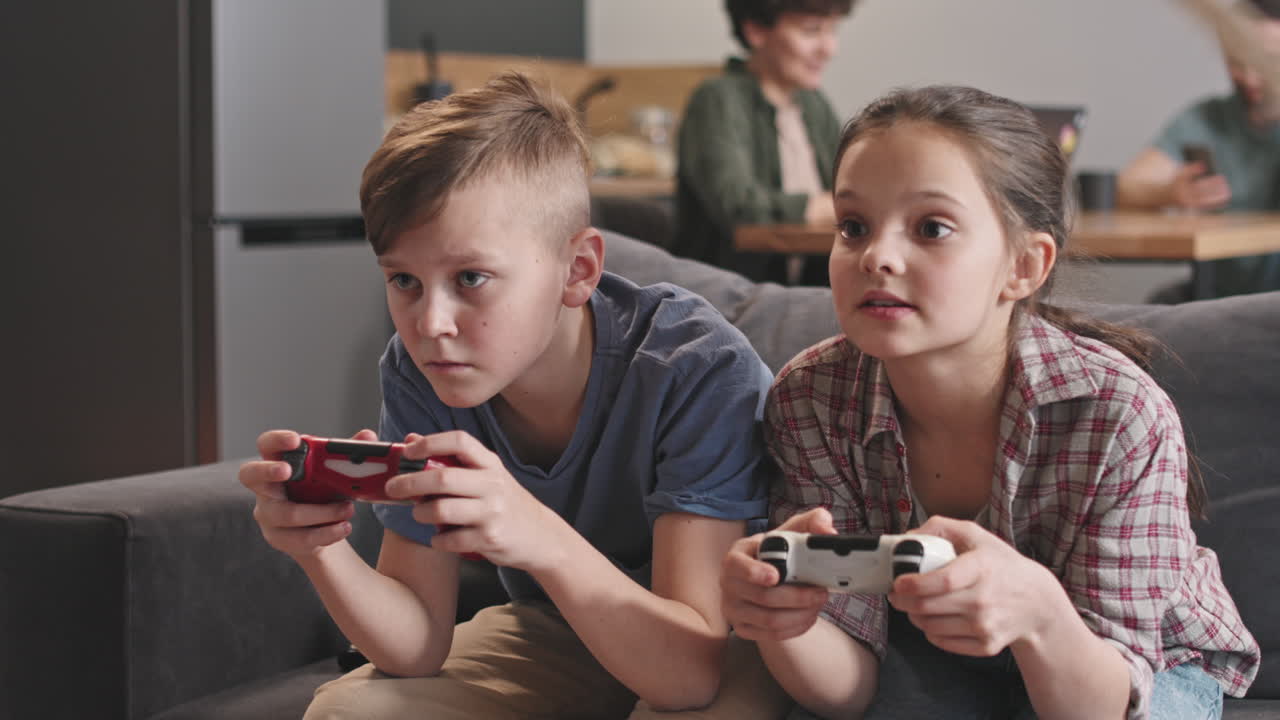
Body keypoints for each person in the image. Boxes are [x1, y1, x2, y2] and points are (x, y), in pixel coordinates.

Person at [239, 72, 788, 719]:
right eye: (405, 281)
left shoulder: (694, 366)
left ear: (578, 270)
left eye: (470, 278)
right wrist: (322, 548)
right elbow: (415, 645)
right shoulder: (421, 374)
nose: (430, 324)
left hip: (728, 640)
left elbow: (688, 677)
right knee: (350, 712)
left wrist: (537, 534)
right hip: (560, 625)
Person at [719, 85, 1260, 719]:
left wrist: (1040, 612)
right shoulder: (810, 399)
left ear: (1024, 266)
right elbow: (850, 692)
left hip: (1126, 673)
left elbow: (1102, 708)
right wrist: (782, 622)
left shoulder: (1119, 414)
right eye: (853, 226)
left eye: (932, 228)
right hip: (929, 654)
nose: (877, 256)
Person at [674, 0, 854, 285]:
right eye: (811, 31)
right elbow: (739, 206)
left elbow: (853, 186)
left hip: (807, 292)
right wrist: (822, 207)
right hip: (729, 294)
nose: (829, 49)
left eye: (832, 31)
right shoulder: (717, 99)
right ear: (756, 30)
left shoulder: (814, 104)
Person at [1116, 0, 1280, 297]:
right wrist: (1169, 192)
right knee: (1158, 306)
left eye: (1266, 61)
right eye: (1237, 61)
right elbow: (1127, 186)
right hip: (1218, 295)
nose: (1250, 77)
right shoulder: (1209, 118)